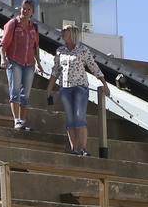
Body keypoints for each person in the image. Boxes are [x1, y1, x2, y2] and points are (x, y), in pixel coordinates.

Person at [46, 21, 109, 156]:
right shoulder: (60, 51)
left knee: (80, 116)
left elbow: (93, 66)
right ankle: (74, 148)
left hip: (80, 88)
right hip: (65, 88)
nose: (62, 33)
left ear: (72, 34)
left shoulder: (83, 50)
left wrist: (104, 83)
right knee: (70, 118)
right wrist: (50, 88)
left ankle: (83, 147)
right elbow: (55, 70)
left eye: (65, 31)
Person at [0, 0, 41, 131]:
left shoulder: (34, 27)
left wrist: (38, 62)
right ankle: (16, 120)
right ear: (20, 8)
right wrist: (3, 59)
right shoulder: (13, 24)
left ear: (32, 12)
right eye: (24, 8)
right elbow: (4, 43)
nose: (25, 11)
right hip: (14, 60)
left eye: (28, 9)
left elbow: (35, 46)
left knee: (26, 95)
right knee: (15, 91)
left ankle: (22, 121)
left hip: (29, 63)